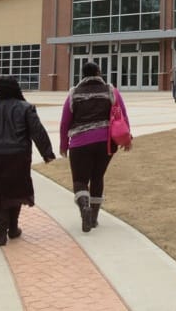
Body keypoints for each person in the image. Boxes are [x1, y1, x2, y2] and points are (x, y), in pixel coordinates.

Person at [0, 76, 56, 246]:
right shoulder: (26, 107)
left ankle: (1, 233)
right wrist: (47, 153)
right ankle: (13, 228)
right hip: (18, 157)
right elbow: (37, 131)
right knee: (15, 192)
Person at [59, 62, 132, 233]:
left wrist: (63, 144)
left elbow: (65, 122)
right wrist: (127, 138)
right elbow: (122, 114)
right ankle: (93, 217)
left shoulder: (74, 93)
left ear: (82, 74)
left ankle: (84, 207)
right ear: (99, 72)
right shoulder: (110, 90)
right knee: (97, 177)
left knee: (80, 181)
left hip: (80, 143)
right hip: (105, 143)